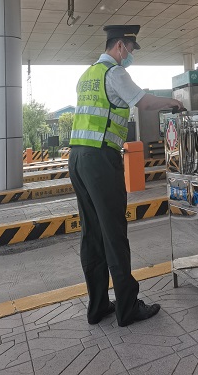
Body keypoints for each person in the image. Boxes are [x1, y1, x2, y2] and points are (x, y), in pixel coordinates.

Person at [69, 25, 184, 327]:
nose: (131, 55)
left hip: (78, 158)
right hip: (100, 159)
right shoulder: (114, 72)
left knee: (92, 234)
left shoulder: (87, 75)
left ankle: (97, 307)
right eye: (131, 49)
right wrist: (172, 102)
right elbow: (143, 102)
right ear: (120, 46)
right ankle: (128, 308)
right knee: (114, 232)